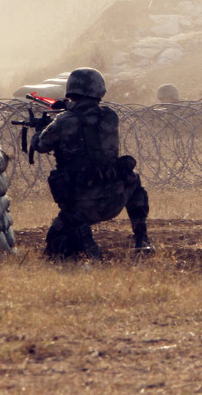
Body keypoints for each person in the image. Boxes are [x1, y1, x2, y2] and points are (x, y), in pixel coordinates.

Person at [31, 67, 153, 260]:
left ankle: (87, 241)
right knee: (133, 178)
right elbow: (88, 118)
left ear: (72, 90)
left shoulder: (63, 121)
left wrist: (39, 129)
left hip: (82, 207)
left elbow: (40, 145)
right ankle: (142, 238)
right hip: (115, 198)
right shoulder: (110, 116)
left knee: (55, 248)